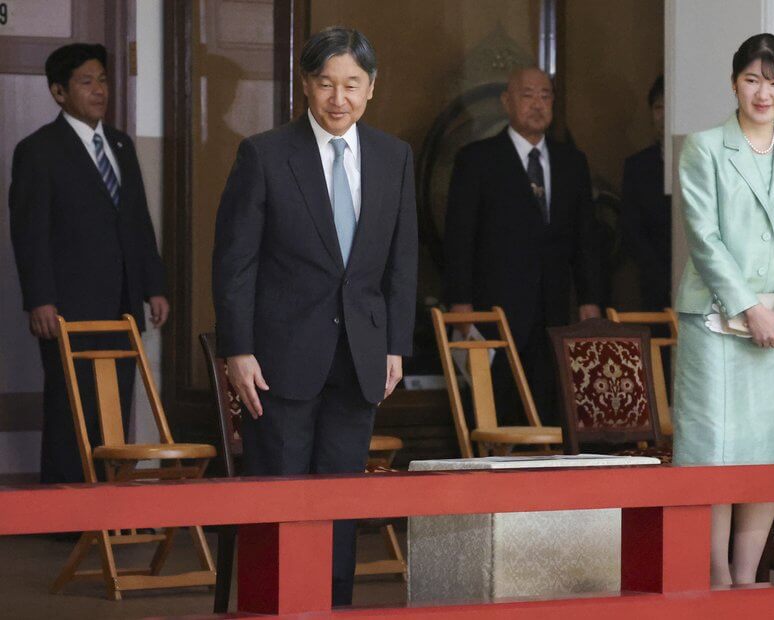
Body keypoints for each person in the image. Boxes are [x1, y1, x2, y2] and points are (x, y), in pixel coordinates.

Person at [212, 27, 417, 606]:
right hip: (278, 360)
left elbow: (403, 262)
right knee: (278, 492)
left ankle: (333, 606)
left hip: (360, 359)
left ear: (371, 88)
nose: (338, 98)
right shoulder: (265, 154)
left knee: (341, 499)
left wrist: (395, 346)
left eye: (352, 84)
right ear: (305, 85)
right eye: (326, 83)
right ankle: (269, 605)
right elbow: (235, 261)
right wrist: (238, 349)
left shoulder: (394, 156)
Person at [673, 33, 774, 585]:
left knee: (769, 452)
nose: (764, 93)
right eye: (753, 79)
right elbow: (704, 238)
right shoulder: (704, 147)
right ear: (734, 81)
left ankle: (746, 581)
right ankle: (713, 578)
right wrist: (749, 308)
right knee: (715, 450)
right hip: (716, 321)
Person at [9, 43, 169, 485]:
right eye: (86, 82)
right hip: (67, 306)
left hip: (119, 302)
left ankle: (110, 500)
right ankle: (67, 508)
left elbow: (137, 222)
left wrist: (153, 285)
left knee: (114, 401)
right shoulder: (38, 150)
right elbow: (29, 233)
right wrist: (39, 299)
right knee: (70, 404)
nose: (99, 90)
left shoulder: (120, 144)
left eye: (102, 80)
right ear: (59, 93)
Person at [442, 67, 603, 426]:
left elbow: (585, 239)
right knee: (494, 408)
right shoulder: (478, 159)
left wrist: (590, 300)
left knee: (550, 407)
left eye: (545, 96)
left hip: (554, 308)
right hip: (493, 308)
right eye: (528, 95)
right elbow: (460, 236)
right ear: (507, 102)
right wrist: (461, 305)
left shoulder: (571, 162)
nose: (537, 104)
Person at [621, 75, 672, 311]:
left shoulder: (705, 160)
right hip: (654, 283)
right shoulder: (637, 166)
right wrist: (656, 271)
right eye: (658, 107)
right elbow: (631, 228)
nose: (663, 115)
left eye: (669, 107)